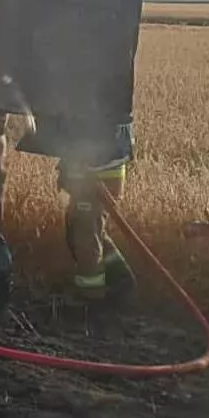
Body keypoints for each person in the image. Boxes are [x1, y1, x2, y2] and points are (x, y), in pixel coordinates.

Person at [59, 121, 136, 305]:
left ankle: (90, 297)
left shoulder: (98, 102)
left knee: (85, 237)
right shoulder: (94, 101)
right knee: (85, 231)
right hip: (93, 173)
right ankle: (122, 280)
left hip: (97, 175)